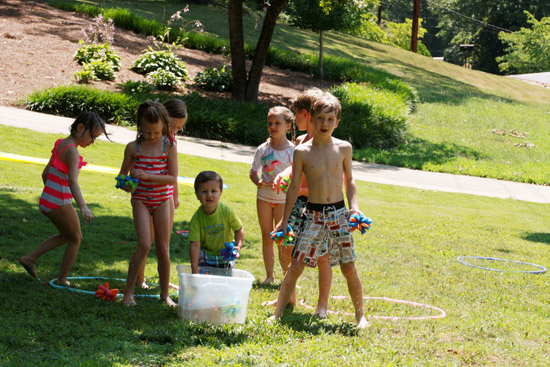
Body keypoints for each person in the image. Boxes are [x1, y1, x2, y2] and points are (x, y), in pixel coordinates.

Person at [269, 92, 369, 328]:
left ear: (337, 122)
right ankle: (278, 314)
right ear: (311, 119)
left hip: (338, 214)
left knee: (348, 265)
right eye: (320, 119)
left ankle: (360, 316)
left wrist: (354, 207)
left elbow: (350, 181)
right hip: (312, 214)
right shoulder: (302, 151)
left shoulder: (344, 148)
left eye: (330, 119)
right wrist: (284, 220)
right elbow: (293, 187)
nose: (324, 124)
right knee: (296, 265)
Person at [19, 112, 108, 286]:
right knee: (76, 238)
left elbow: (45, 173)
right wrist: (83, 206)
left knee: (66, 235)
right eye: (92, 136)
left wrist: (49, 194)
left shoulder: (60, 144)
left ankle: (29, 259)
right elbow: (72, 180)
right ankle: (61, 279)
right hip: (59, 201)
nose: (92, 142)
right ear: (80, 128)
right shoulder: (72, 152)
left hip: (47, 199)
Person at [271, 88, 333, 318]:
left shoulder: (324, 144)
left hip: (318, 204)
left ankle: (322, 306)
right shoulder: (299, 140)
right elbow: (297, 166)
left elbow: (326, 185)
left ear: (306, 114)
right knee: (285, 247)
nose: (294, 120)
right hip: (297, 204)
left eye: (296, 115)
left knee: (322, 257)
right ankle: (289, 298)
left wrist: (299, 192)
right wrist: (284, 173)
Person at [118, 100, 178, 306]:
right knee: (144, 244)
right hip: (141, 200)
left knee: (163, 247)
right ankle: (128, 294)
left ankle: (164, 295)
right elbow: (122, 177)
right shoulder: (133, 147)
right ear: (139, 126)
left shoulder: (168, 145)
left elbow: (172, 178)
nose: (151, 136)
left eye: (155, 132)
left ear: (164, 126)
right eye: (146, 132)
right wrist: (128, 185)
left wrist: (146, 176)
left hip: (162, 200)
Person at [136, 98, 187, 290]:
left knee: (163, 242)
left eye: (179, 128)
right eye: (173, 126)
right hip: (146, 196)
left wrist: (175, 195)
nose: (175, 131)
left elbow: (172, 173)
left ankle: (163, 281)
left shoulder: (170, 142)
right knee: (146, 241)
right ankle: (140, 278)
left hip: (164, 196)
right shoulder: (147, 141)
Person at [249, 106, 295, 286]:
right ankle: (270, 276)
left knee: (283, 238)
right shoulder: (263, 149)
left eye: (278, 123)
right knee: (267, 237)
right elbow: (253, 172)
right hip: (264, 198)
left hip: (284, 200)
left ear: (288, 126)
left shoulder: (293, 151)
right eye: (270, 123)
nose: (273, 126)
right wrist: (258, 181)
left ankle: (287, 276)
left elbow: (298, 176)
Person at [189, 171, 244, 273]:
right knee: (205, 279)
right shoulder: (196, 219)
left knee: (227, 281)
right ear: (197, 195)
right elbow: (195, 245)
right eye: (204, 191)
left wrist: (238, 246)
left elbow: (238, 228)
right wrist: (194, 268)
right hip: (206, 255)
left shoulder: (227, 211)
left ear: (221, 193)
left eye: (213, 191)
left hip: (226, 253)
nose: (209, 195)